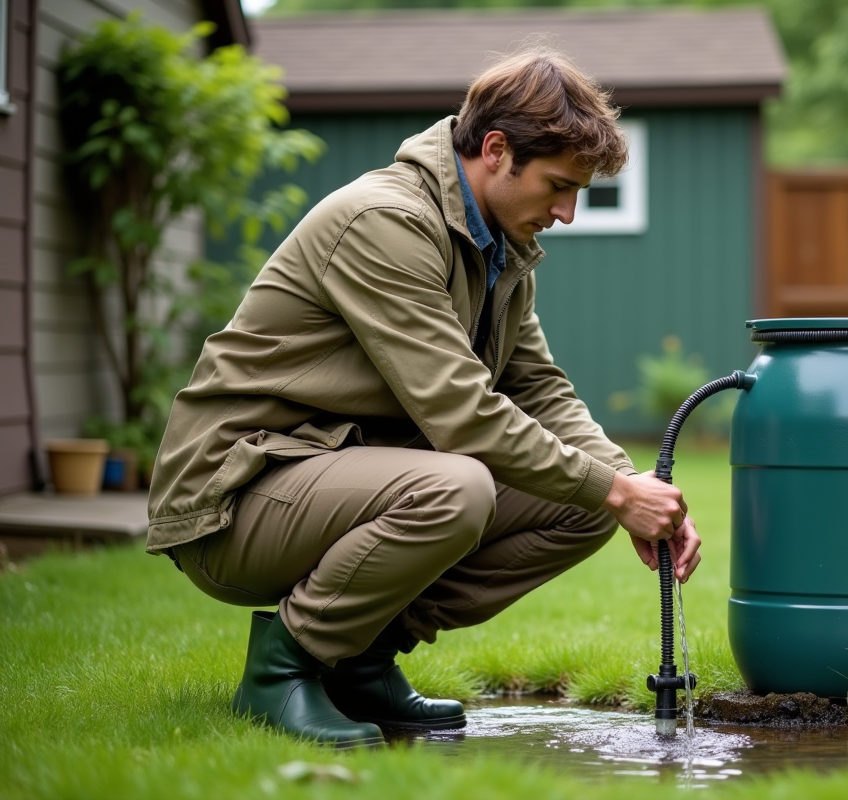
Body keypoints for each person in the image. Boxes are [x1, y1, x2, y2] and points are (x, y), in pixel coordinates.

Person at [146, 47, 701, 749]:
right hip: (233, 495)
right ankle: (281, 672)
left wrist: (628, 487)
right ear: (496, 150)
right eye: (559, 186)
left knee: (580, 505)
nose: (565, 212)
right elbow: (461, 413)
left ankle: (358, 660)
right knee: (457, 487)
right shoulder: (383, 223)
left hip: (331, 474)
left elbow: (537, 390)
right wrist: (617, 493)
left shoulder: (496, 244)